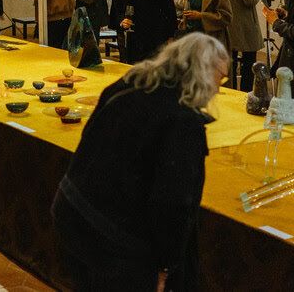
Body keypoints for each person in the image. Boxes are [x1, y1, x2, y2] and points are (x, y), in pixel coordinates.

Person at [52, 33, 229, 291]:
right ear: (201, 72)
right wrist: (165, 266)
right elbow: (174, 202)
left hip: (73, 211)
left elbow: (88, 137)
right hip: (112, 235)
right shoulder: (182, 120)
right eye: (219, 78)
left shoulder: (129, 84)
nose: (219, 89)